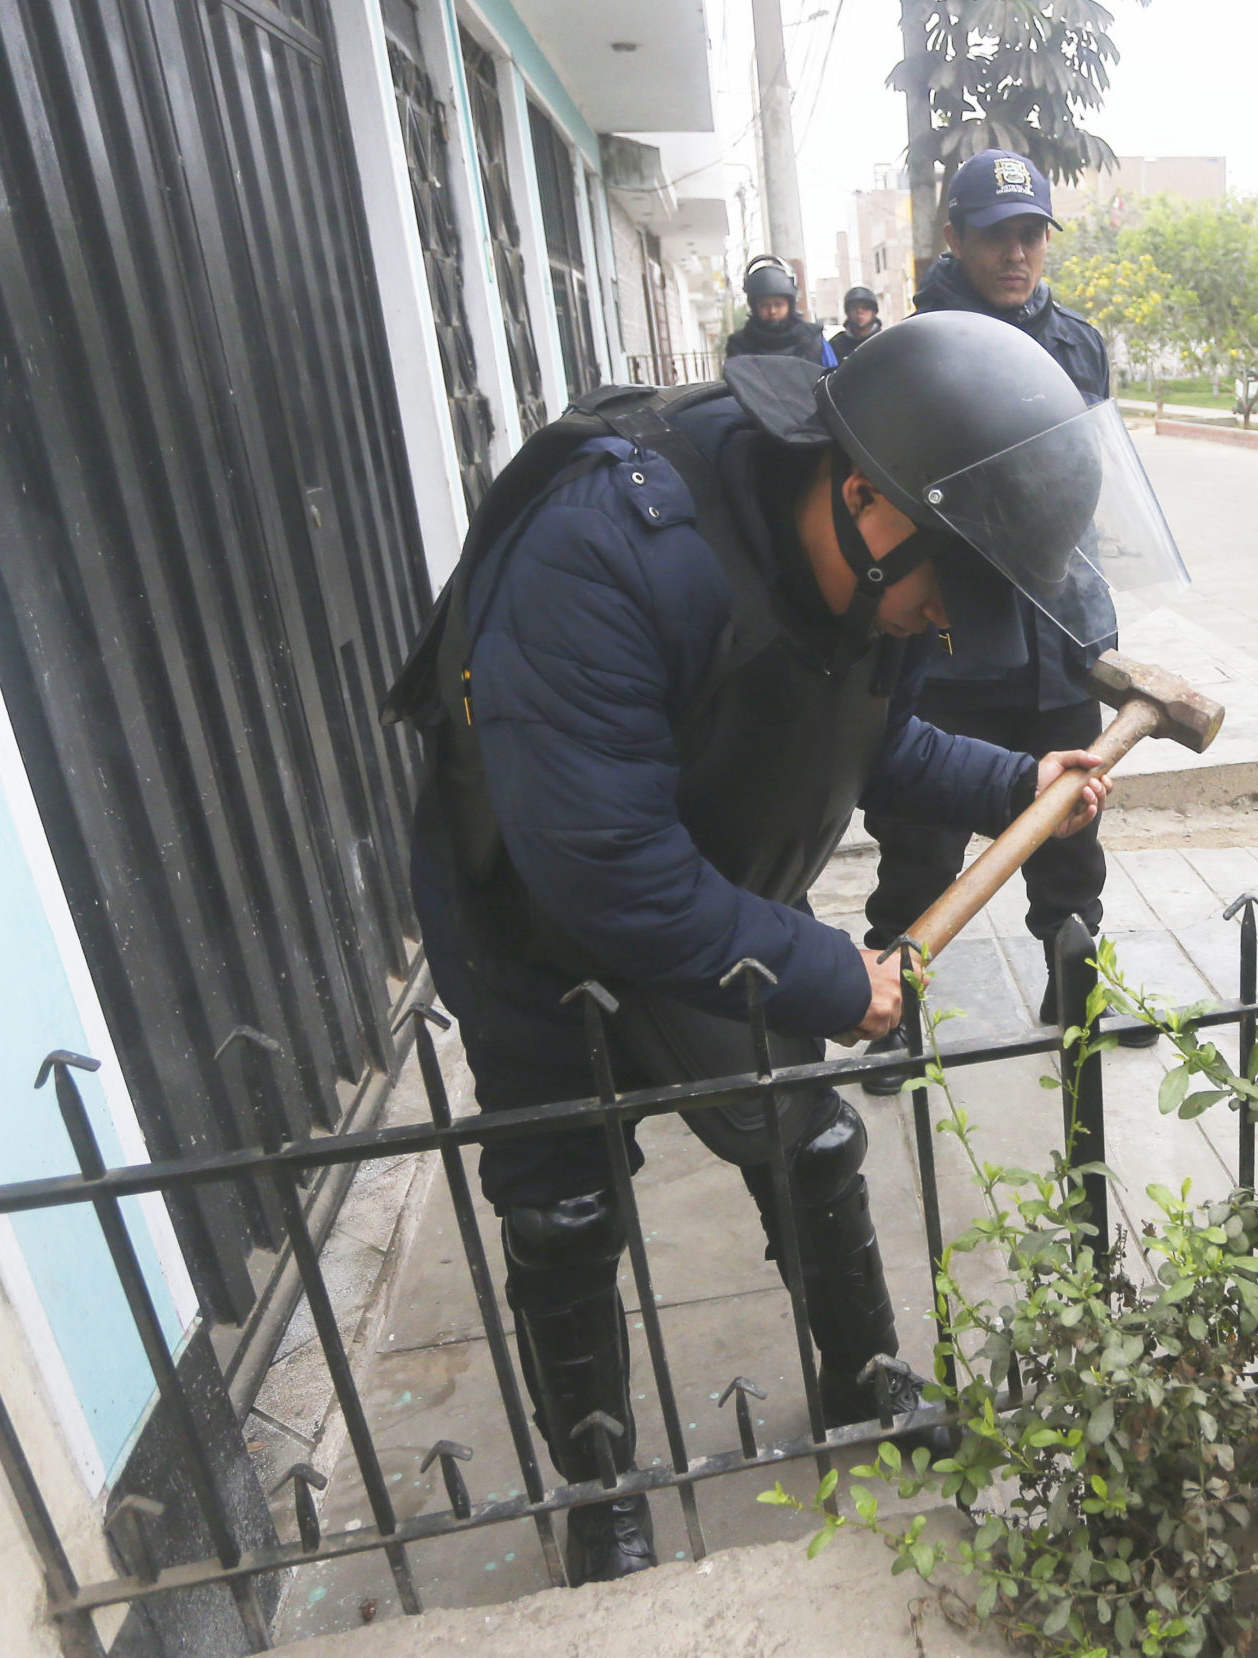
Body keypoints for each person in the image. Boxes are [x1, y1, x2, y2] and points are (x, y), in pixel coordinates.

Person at [386, 315, 1183, 1586]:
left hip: (718, 898)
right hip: (533, 917)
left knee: (808, 1137)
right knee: (564, 1206)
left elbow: (876, 742)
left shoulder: (875, 565)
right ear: (860, 494)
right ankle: (602, 1488)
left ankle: (864, 1381)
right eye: (947, 589)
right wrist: (826, 972)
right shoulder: (606, 550)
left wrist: (1016, 778)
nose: (942, 625)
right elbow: (608, 869)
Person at [859, 148, 1137, 1088]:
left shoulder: (1078, 342)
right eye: (995, 236)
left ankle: (1078, 989)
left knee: (1069, 828)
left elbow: (1089, 480)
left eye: (1031, 235)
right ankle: (892, 1008)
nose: (1017, 254)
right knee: (921, 844)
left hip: (1056, 637)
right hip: (948, 641)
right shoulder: (912, 351)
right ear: (954, 237)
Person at [723, 255, 835, 366]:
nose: (772, 311)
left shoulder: (814, 339)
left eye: (778, 304)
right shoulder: (739, 345)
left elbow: (834, 379)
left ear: (790, 304)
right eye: (764, 305)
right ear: (754, 307)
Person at [830, 284, 884, 362]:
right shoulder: (835, 345)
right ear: (847, 312)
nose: (859, 312)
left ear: (874, 312)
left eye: (865, 307)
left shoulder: (885, 340)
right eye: (854, 307)